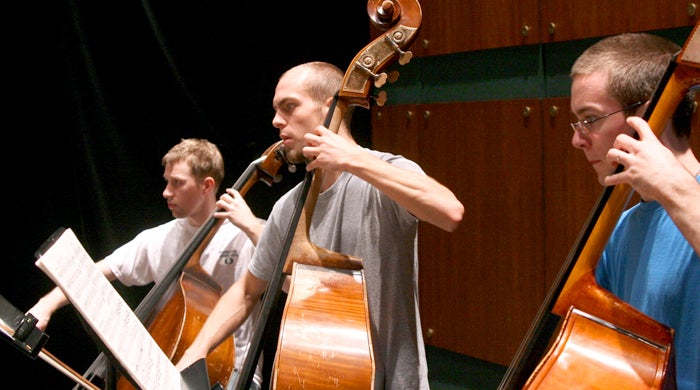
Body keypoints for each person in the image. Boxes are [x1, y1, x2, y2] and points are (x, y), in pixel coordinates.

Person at [174, 61, 465, 389]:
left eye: (289, 107)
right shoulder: (288, 208)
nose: (275, 120)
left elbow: (449, 212)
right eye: (275, 109)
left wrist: (351, 158)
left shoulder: (384, 175)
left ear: (330, 106)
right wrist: (194, 354)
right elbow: (246, 290)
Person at [27, 138, 266, 389]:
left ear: (207, 186)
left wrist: (252, 227)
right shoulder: (159, 238)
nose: (166, 192)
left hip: (234, 369)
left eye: (177, 183)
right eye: (167, 181)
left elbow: (287, 279)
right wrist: (47, 305)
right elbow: (97, 272)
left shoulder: (247, 233)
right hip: (167, 368)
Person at [569, 32, 700, 389]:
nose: (577, 140)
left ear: (646, 114)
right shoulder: (619, 230)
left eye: (590, 119)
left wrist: (672, 188)